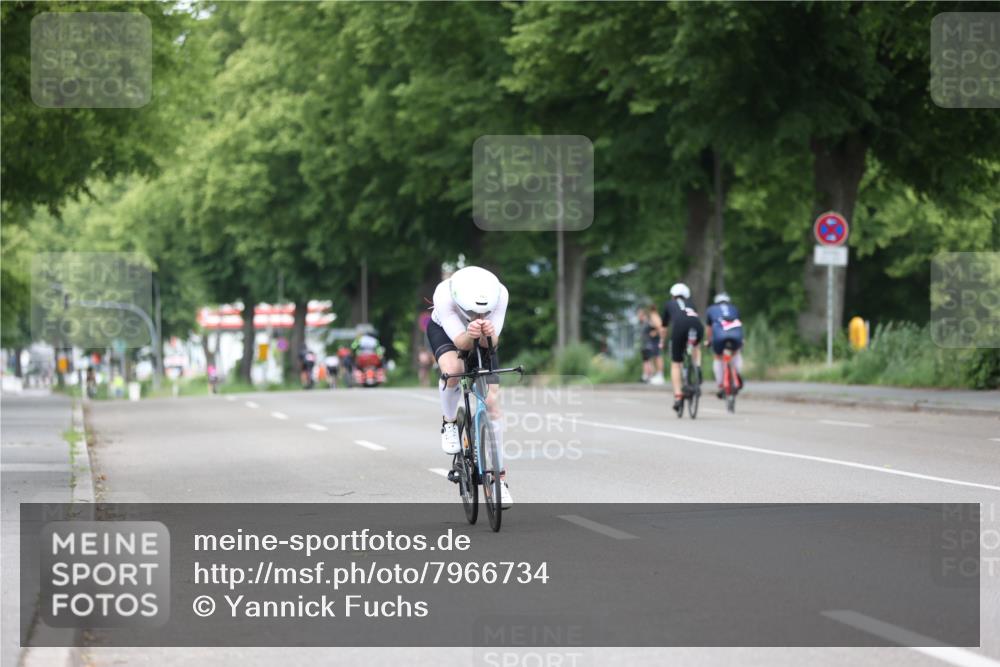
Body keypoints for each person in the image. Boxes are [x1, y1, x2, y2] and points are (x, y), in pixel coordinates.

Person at [426, 265, 512, 508]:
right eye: (474, 312)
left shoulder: (501, 294)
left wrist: (487, 333)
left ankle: (499, 479)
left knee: (493, 404)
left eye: (484, 312)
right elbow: (461, 342)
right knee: (454, 371)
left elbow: (491, 343)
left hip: (482, 338)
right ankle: (449, 421)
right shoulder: (444, 295)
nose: (479, 315)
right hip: (446, 333)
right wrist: (472, 332)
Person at [660, 282, 704, 413]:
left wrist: (662, 341)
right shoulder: (691, 304)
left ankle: (678, 397)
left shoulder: (669, 304)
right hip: (696, 325)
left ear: (672, 295)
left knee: (676, 364)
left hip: (679, 327)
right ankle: (697, 366)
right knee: (696, 346)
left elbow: (664, 328)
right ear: (687, 296)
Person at [705, 292, 744, 399]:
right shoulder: (734, 308)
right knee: (735, 353)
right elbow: (740, 324)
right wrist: (742, 339)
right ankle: (736, 375)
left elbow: (709, 328)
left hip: (719, 337)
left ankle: (721, 384)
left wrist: (708, 340)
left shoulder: (711, 309)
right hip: (736, 335)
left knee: (718, 357)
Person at [637, 305, 664, 384]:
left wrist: (654, 333)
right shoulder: (652, 317)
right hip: (653, 341)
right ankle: (656, 375)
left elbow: (660, 327)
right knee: (654, 357)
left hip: (656, 341)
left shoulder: (654, 316)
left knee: (657, 357)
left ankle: (659, 375)